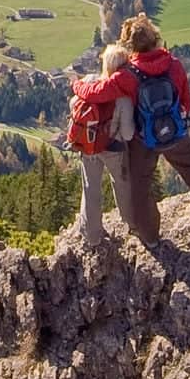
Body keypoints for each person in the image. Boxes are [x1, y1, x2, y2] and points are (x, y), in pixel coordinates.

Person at [96, 13, 190, 243]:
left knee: (140, 185)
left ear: (130, 46)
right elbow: (185, 101)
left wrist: (77, 86)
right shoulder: (173, 65)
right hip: (174, 131)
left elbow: (98, 92)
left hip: (143, 139)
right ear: (156, 37)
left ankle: (151, 237)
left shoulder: (127, 75)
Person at [64, 44, 137, 243]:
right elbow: (128, 134)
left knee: (90, 187)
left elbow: (73, 105)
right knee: (122, 183)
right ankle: (131, 223)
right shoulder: (122, 97)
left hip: (88, 145)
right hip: (114, 148)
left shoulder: (89, 82)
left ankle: (92, 235)